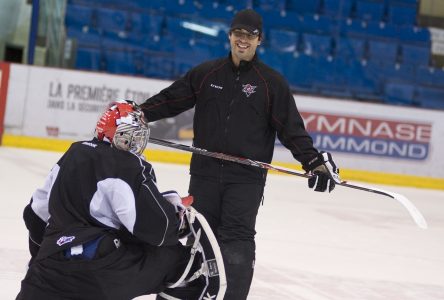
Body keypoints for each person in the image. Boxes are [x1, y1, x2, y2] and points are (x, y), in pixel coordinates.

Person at [141, 9, 341, 300]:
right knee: (199, 238)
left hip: (245, 181)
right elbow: (172, 100)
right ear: (230, 36)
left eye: (250, 35)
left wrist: (313, 162)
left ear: (260, 40)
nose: (243, 40)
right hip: (205, 175)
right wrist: (139, 113)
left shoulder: (271, 83)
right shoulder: (207, 73)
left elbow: (291, 129)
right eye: (238, 34)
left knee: (236, 244)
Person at [16, 100, 225, 300]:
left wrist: (41, 258)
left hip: (45, 274)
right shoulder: (128, 164)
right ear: (118, 136)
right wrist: (176, 219)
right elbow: (157, 230)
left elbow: (34, 216)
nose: (136, 143)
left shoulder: (73, 153)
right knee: (181, 261)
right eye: (131, 137)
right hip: (97, 274)